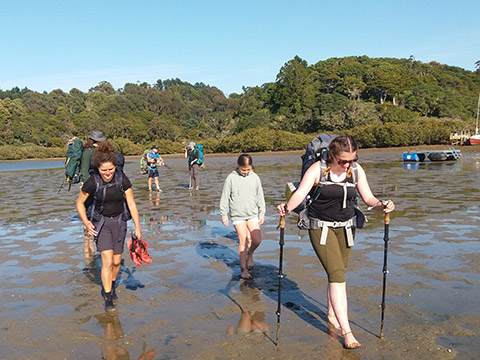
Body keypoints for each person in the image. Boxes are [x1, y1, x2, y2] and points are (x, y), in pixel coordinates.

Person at [276, 134, 395, 349]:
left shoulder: (357, 171)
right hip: (320, 228)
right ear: (332, 156)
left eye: (352, 160)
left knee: (338, 272)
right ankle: (347, 331)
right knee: (338, 275)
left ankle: (332, 313)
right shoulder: (317, 170)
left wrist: (382, 205)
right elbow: (300, 194)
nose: (347, 165)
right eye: (342, 161)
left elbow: (368, 198)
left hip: (347, 228)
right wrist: (287, 207)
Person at [76, 141, 143, 312]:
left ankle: (112, 285)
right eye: (103, 170)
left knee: (116, 261)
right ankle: (108, 296)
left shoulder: (122, 178)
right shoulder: (92, 182)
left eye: (110, 169)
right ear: (98, 167)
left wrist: (138, 226)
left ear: (115, 166)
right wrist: (86, 222)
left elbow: (132, 203)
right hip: (102, 223)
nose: (107, 173)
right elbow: (80, 203)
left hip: (120, 222)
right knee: (106, 261)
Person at [220, 154, 265, 280]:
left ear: (251, 167)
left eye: (248, 170)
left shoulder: (255, 177)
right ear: (238, 166)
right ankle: (244, 270)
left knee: (257, 240)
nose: (245, 172)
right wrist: (224, 214)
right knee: (243, 241)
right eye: (243, 170)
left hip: (252, 213)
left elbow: (260, 196)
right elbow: (225, 197)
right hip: (237, 215)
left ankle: (250, 254)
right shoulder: (231, 178)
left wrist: (262, 213)